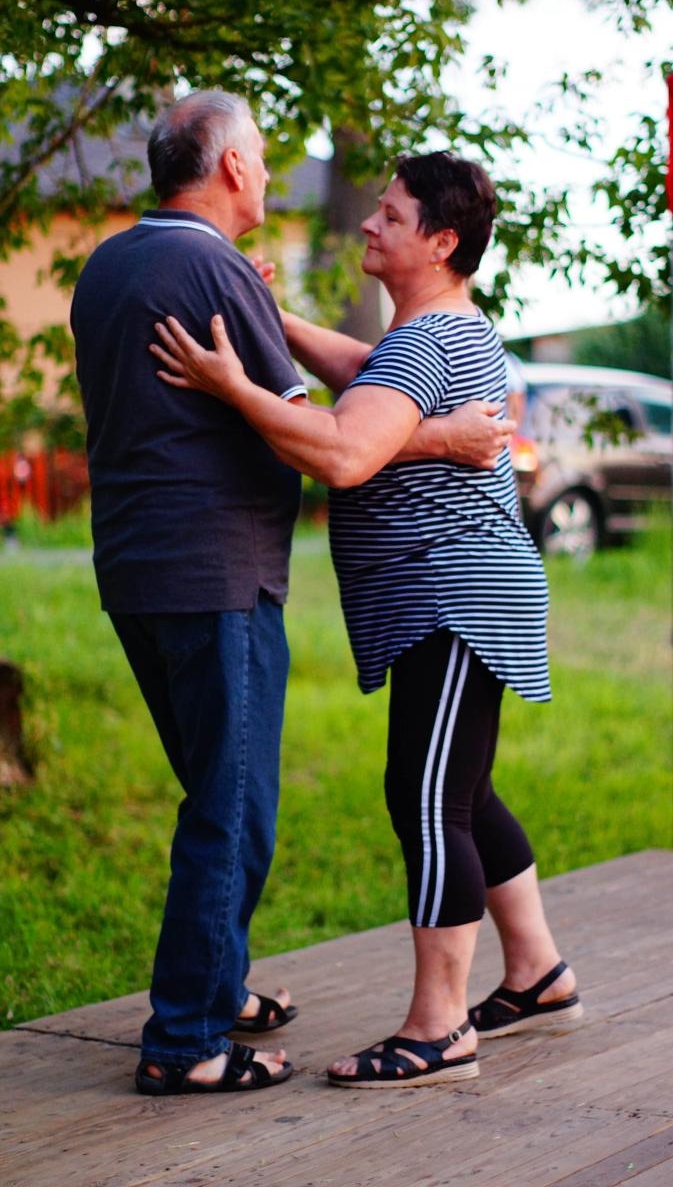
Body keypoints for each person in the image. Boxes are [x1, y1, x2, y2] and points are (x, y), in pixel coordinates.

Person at [70, 93, 513, 1097]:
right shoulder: (215, 267)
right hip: (218, 573)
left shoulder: (111, 263)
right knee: (234, 811)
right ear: (230, 168)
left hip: (135, 567)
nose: (271, 174)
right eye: (264, 158)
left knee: (225, 795)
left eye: (389, 213)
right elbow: (337, 444)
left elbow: (367, 384)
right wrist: (441, 437)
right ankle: (187, 1039)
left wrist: (273, 329)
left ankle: (218, 988)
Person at [151, 149, 583, 1090]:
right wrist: (272, 319)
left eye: (389, 215)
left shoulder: (428, 341)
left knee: (427, 799)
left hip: (453, 595)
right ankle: (537, 973)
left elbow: (346, 453)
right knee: (463, 790)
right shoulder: (429, 333)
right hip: (449, 593)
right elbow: (368, 377)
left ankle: (439, 1028)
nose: (369, 223)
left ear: (441, 241)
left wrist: (232, 386)